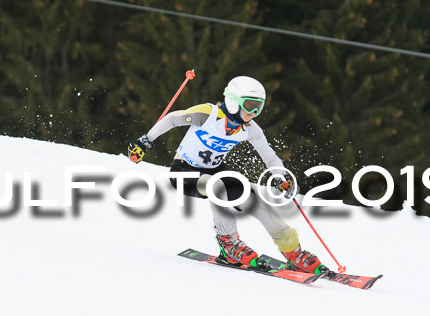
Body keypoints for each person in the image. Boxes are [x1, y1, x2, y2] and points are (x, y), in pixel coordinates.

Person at [127, 76, 327, 274]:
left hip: (215, 169)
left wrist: (282, 178)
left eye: (259, 107)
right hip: (183, 172)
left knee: (254, 201)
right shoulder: (208, 114)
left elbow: (270, 158)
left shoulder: (250, 129)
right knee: (218, 187)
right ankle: (229, 244)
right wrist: (145, 141)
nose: (254, 113)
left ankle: (293, 252)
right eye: (250, 106)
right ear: (233, 102)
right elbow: (172, 119)